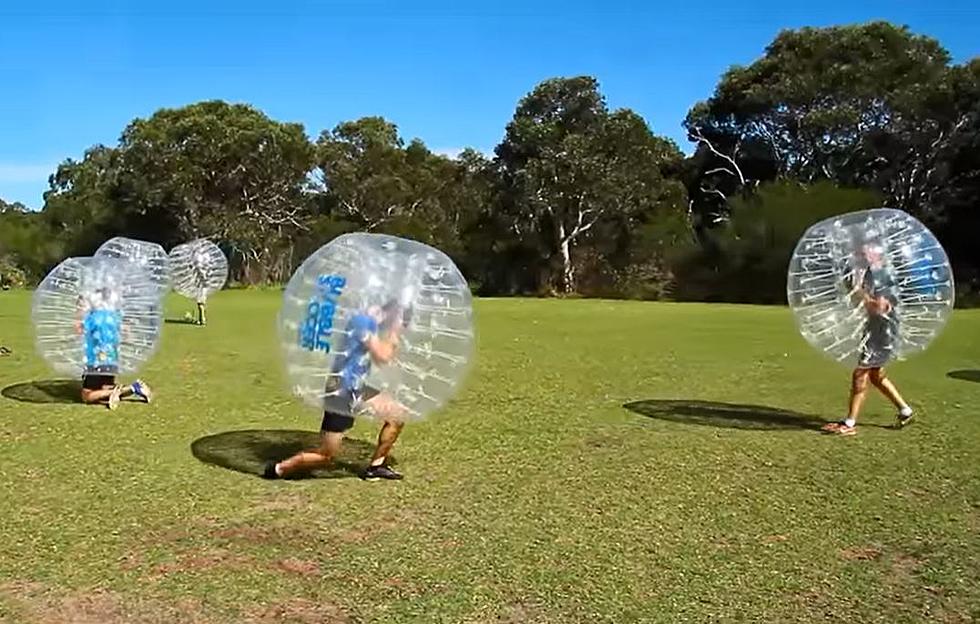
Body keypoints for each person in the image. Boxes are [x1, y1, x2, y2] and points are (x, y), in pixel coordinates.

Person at [265, 299, 410, 481]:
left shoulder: (371, 322)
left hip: (357, 386)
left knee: (397, 417)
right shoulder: (362, 321)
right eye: (402, 317)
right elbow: (382, 356)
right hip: (340, 390)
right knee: (326, 456)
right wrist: (395, 332)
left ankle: (375, 468)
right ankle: (280, 468)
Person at [823, 244, 913, 436]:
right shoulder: (869, 272)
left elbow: (879, 306)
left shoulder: (882, 274)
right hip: (876, 327)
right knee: (875, 374)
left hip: (883, 329)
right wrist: (856, 286)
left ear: (876, 253)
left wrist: (860, 293)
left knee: (861, 374)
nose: (860, 254)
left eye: (865, 251)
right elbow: (864, 299)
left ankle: (849, 423)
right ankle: (905, 410)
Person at [76, 289, 153, 410]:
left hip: (95, 361)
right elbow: (127, 335)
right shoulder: (113, 315)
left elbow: (79, 330)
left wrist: (80, 314)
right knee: (106, 390)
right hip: (112, 360)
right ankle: (134, 388)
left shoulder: (91, 318)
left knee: (87, 395)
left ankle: (131, 388)